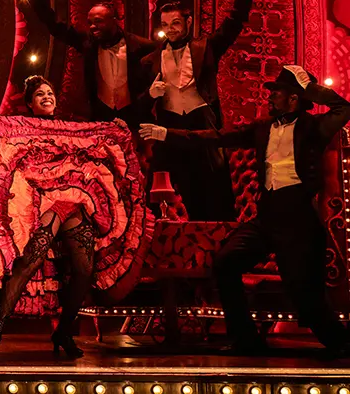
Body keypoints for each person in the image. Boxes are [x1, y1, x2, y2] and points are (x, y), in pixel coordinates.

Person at [140, 66, 348, 356]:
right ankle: (245, 338)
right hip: (267, 215)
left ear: (294, 99)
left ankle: (342, 346)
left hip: (298, 218)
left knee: (305, 296)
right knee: (227, 262)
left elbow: (344, 107)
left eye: (278, 91)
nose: (271, 96)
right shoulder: (263, 127)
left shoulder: (314, 127)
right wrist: (165, 133)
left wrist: (309, 87)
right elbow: (216, 136)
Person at [0, 75, 151, 360]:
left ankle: (64, 331)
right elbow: (8, 150)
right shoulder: (22, 128)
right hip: (45, 203)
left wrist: (117, 129)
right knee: (28, 262)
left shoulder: (73, 126)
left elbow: (98, 142)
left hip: (76, 203)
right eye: (40, 95)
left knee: (84, 270)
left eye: (49, 93)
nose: (47, 97)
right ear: (30, 103)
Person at [141, 0, 262, 220]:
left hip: (201, 123)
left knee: (216, 188)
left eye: (175, 23)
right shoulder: (149, 60)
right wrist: (149, 95)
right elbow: (135, 105)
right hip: (169, 127)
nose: (170, 29)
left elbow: (234, 22)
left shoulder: (205, 47)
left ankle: (221, 238)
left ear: (188, 22)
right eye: (165, 24)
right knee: (163, 191)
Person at [18, 0, 156, 132]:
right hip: (101, 121)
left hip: (136, 120)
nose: (92, 26)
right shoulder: (88, 44)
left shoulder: (144, 47)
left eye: (98, 21)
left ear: (114, 19)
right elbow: (55, 25)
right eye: (90, 22)